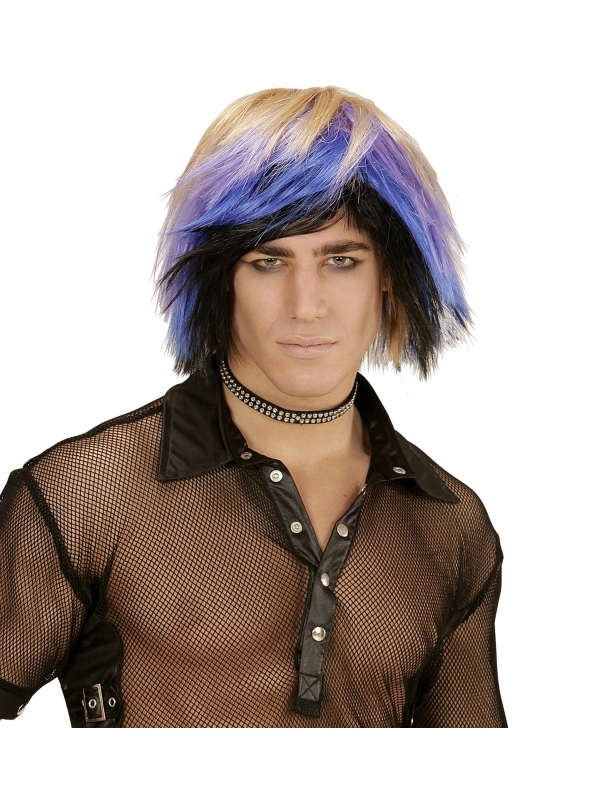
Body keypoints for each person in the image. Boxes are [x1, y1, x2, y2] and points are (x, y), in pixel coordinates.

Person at [0, 86, 507, 727]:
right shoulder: (85, 493)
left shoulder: (449, 524)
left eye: (341, 260)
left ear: (389, 272)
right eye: (269, 261)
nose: (306, 305)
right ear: (221, 276)